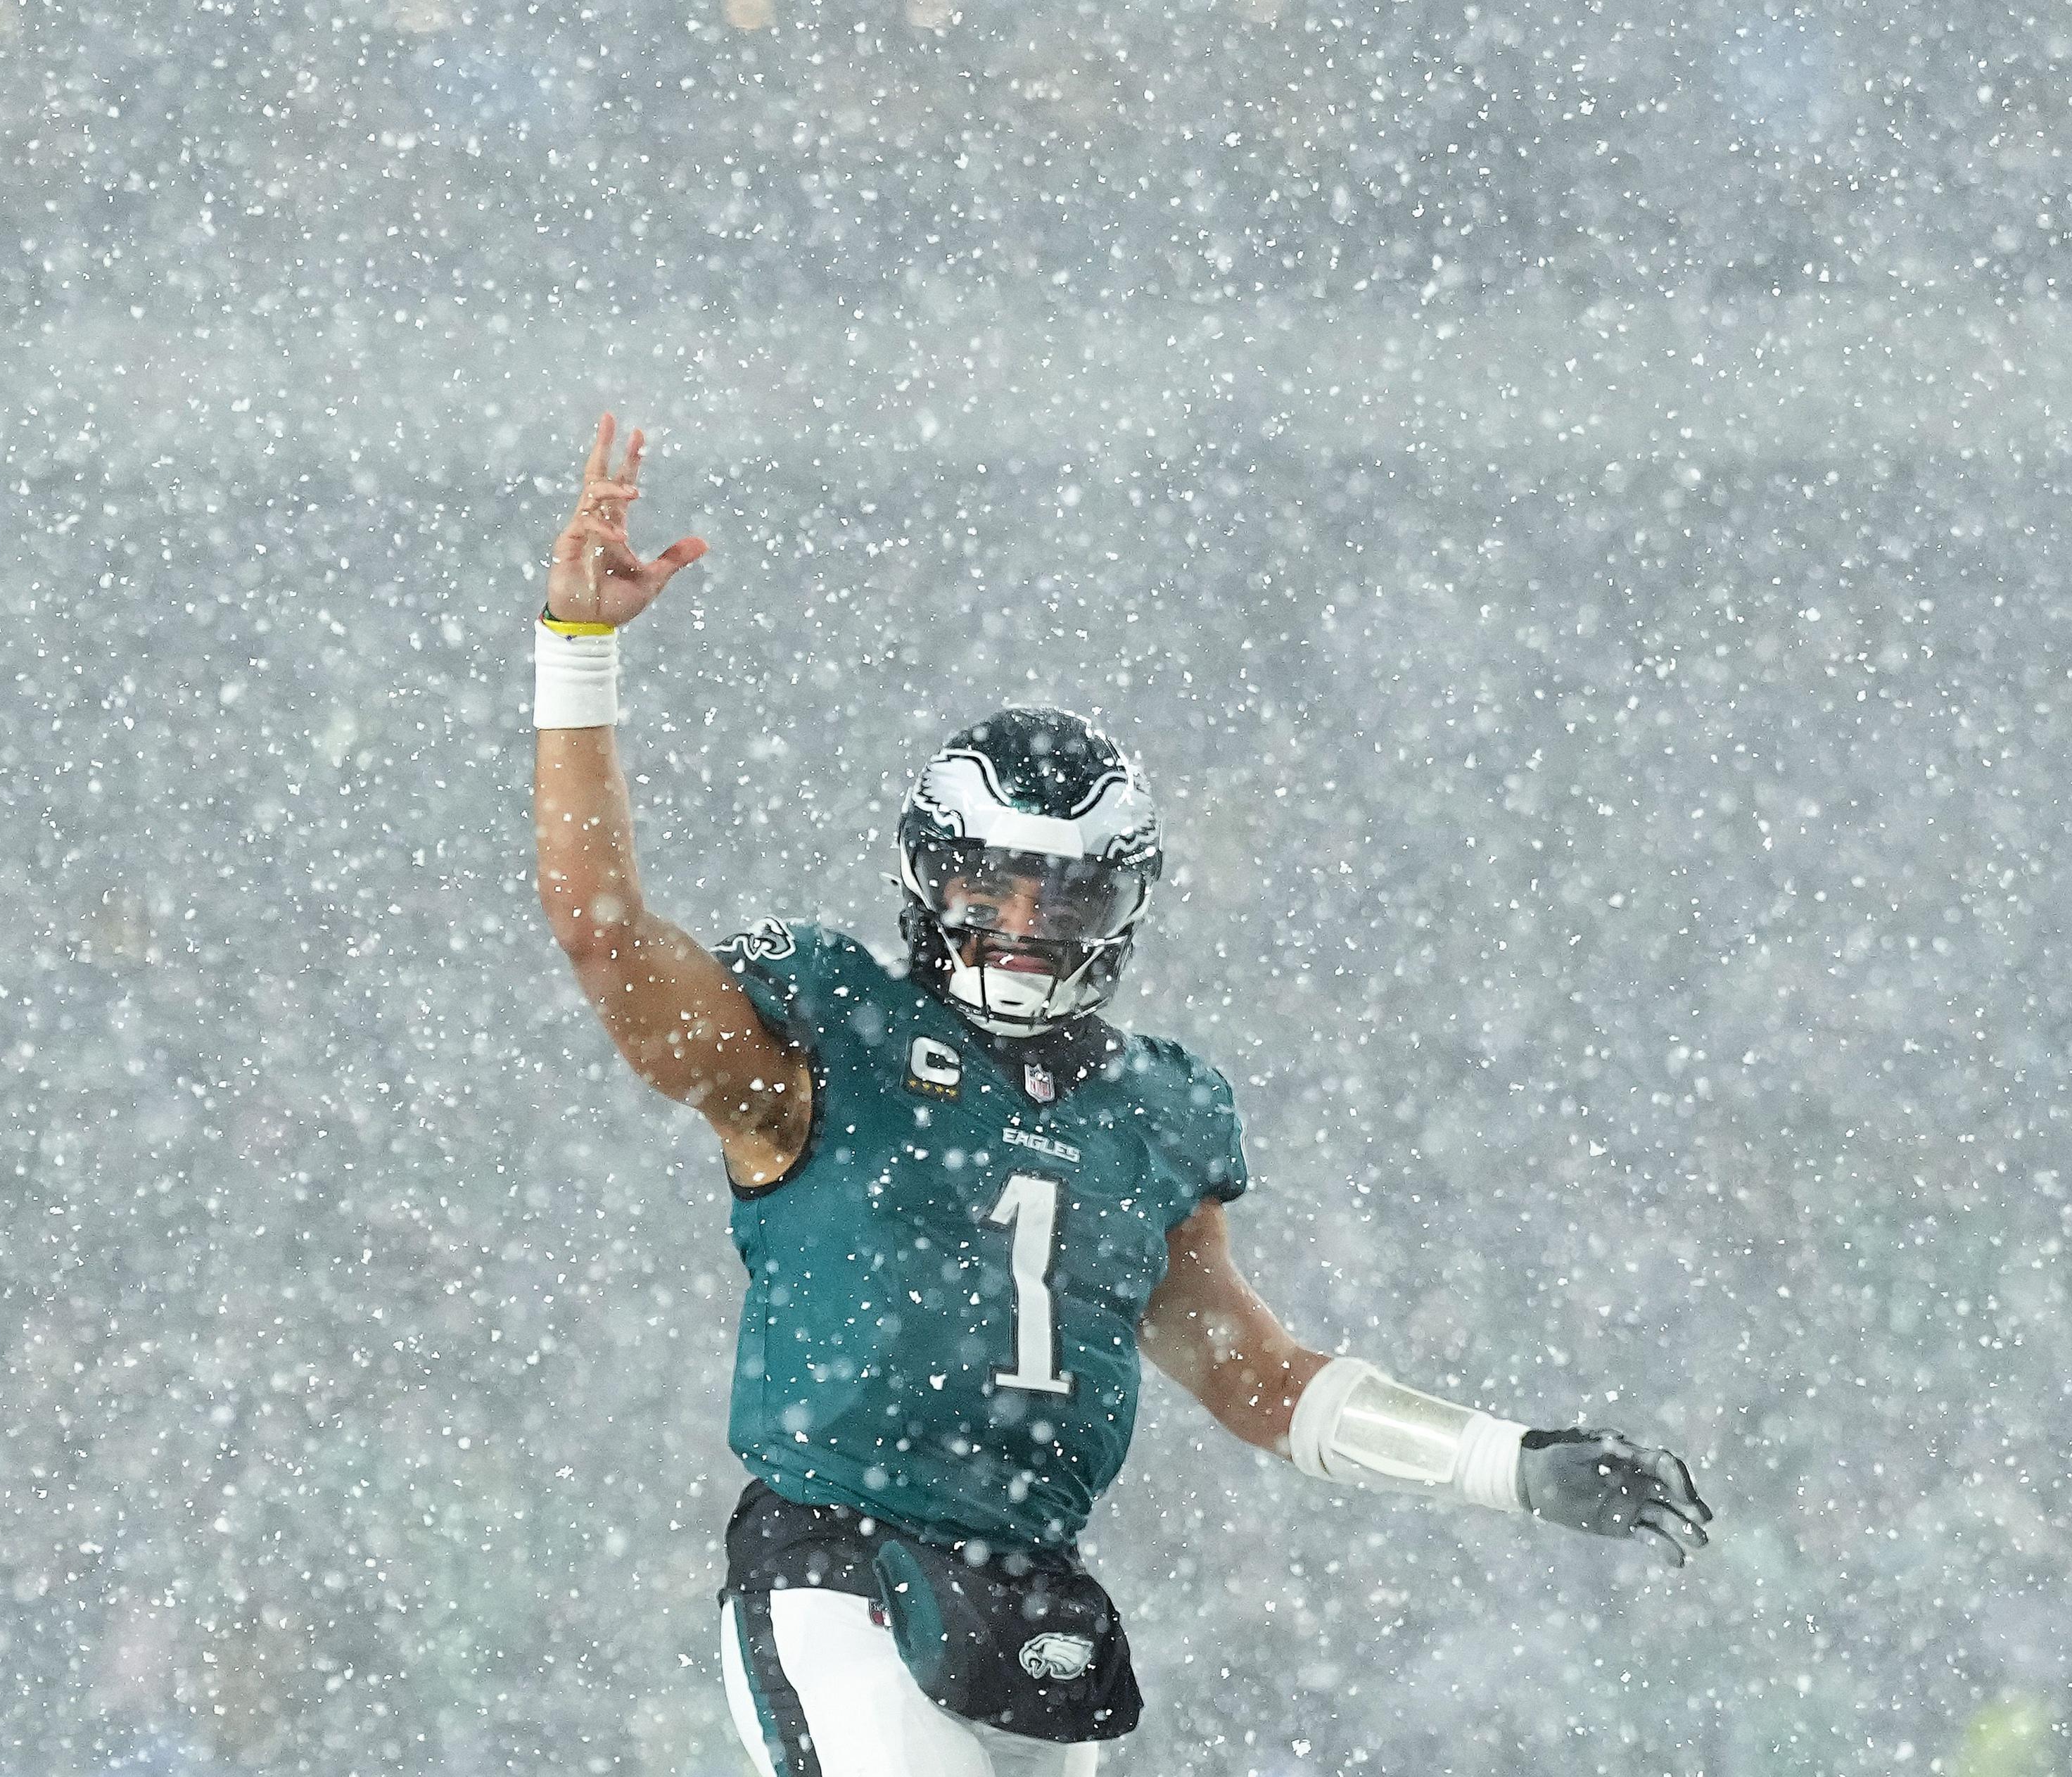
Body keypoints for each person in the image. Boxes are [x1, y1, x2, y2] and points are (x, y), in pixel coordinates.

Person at [530, 416, 1713, 1777]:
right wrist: (579, 652)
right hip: (838, 1565)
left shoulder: (1154, 1111)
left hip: (1034, 1596)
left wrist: (1511, 1463)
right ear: (930, 876)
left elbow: (1255, 1378)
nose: (1029, 923)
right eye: (995, 883)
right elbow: (604, 933)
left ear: (1128, 900)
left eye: (1071, 890)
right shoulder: (828, 1039)